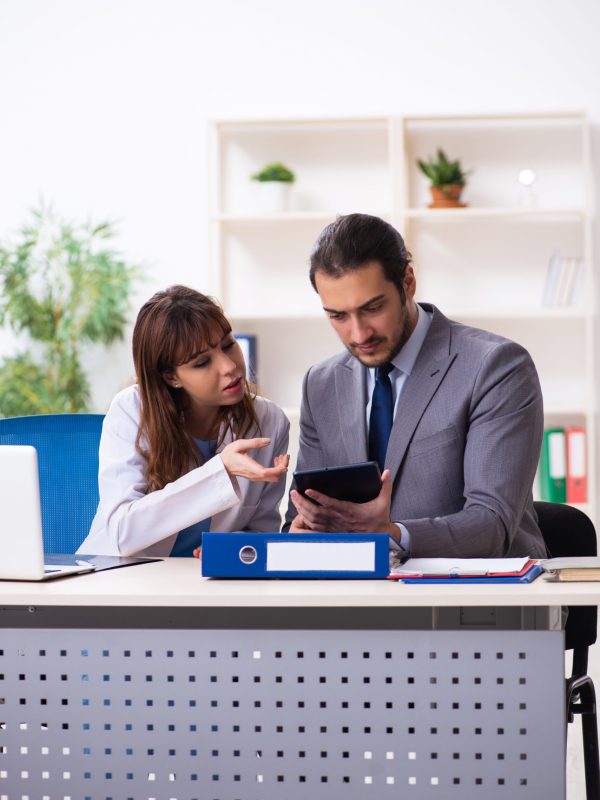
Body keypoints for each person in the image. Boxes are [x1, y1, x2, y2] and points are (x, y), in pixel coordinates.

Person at [284, 213, 547, 559]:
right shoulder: (321, 383)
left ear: (408, 282)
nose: (359, 334)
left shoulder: (495, 366)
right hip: (357, 598)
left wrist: (394, 534)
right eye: (338, 316)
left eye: (373, 308)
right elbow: (299, 515)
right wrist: (299, 530)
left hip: (478, 597)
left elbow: (492, 524)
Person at [78, 285, 289, 557]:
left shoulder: (269, 420)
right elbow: (123, 533)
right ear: (171, 377)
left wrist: (231, 548)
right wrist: (221, 471)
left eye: (228, 345)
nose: (229, 367)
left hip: (209, 585)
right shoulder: (131, 410)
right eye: (202, 362)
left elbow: (261, 533)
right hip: (125, 579)